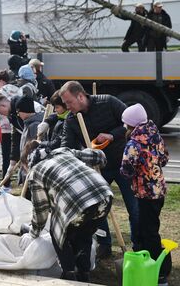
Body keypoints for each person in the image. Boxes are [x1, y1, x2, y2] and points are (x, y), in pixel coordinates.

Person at [59, 81, 139, 258]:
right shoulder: (72, 120)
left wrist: (112, 135)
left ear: (80, 96)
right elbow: (67, 145)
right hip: (97, 169)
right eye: (65, 104)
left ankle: (138, 245)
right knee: (96, 208)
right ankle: (104, 244)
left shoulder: (108, 102)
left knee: (134, 206)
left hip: (122, 163)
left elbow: (130, 125)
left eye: (69, 102)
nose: (67, 107)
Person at [19, 141, 112, 282]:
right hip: (104, 196)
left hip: (79, 203)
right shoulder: (62, 151)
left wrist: (33, 233)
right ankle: (83, 274)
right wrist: (101, 160)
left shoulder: (36, 172)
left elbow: (41, 211)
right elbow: (99, 156)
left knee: (58, 234)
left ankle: (69, 274)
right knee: (83, 234)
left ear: (27, 162)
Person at [120, 103, 171, 285]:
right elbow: (164, 158)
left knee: (148, 232)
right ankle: (154, 267)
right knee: (150, 228)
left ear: (131, 124)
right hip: (159, 190)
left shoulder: (134, 143)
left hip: (145, 193)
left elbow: (126, 170)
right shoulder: (155, 135)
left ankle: (160, 272)